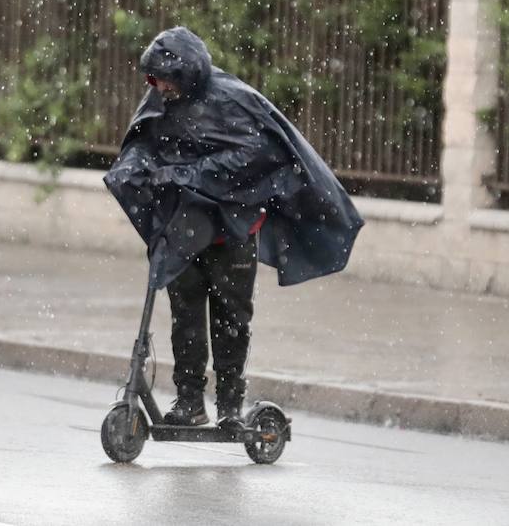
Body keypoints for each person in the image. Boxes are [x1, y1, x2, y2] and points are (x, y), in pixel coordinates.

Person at [104, 27, 365, 428]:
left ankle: (229, 406)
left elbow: (253, 157)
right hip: (185, 228)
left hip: (233, 228)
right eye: (152, 80)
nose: (156, 87)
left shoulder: (234, 101)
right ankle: (189, 402)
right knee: (185, 314)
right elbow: (144, 140)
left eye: (163, 79)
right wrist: (135, 168)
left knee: (231, 318)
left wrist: (189, 173)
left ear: (186, 74)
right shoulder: (162, 98)